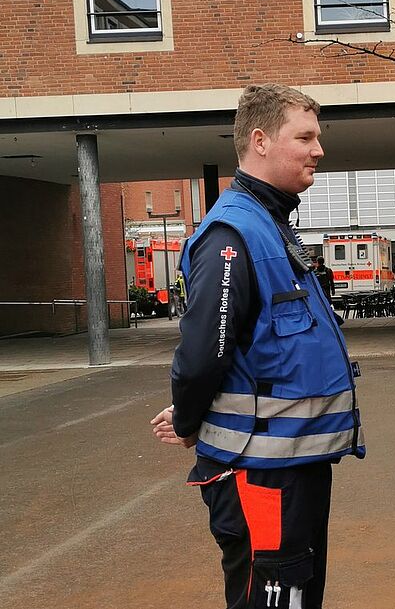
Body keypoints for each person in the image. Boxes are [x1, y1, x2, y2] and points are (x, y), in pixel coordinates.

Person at [149, 83, 365, 609]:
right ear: (262, 140)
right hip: (259, 475)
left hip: (293, 468)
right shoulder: (233, 236)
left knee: (296, 596)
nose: (319, 149)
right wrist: (187, 421)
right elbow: (202, 356)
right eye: (306, 137)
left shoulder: (271, 227)